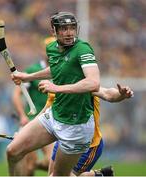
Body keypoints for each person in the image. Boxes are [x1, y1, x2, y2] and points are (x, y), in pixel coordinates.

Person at [7, 11, 100, 176]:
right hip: (54, 116)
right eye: (64, 28)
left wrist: (57, 88)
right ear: (54, 31)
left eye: (72, 28)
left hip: (76, 127)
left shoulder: (83, 49)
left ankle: (96, 175)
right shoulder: (52, 48)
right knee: (13, 151)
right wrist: (27, 77)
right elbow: (56, 69)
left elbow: (93, 82)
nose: (69, 32)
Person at [48, 84, 134, 176]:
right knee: (53, 174)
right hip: (63, 140)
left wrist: (120, 95)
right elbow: (46, 113)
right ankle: (99, 174)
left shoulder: (85, 84)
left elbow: (107, 93)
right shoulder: (57, 85)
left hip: (88, 145)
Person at [12, 38, 55, 175]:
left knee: (50, 162)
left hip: (51, 122)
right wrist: (22, 115)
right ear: (43, 51)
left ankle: (34, 164)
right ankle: (30, 166)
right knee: (26, 171)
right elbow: (16, 94)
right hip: (31, 121)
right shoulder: (33, 69)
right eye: (48, 49)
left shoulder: (62, 70)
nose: (51, 53)